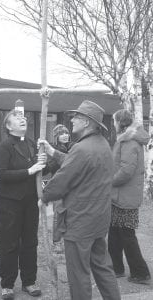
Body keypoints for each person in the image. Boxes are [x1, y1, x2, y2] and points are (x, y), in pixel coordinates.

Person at [40, 100, 121, 300]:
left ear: (86, 122)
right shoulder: (103, 145)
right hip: (99, 220)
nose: (72, 120)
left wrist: (44, 196)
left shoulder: (81, 148)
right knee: (103, 267)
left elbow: (62, 179)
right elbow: (77, 163)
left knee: (78, 275)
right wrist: (53, 152)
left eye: (76, 117)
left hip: (80, 221)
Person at [0, 108, 46, 300]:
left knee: (30, 243)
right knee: (9, 243)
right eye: (16, 118)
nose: (22, 118)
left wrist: (45, 157)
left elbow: (41, 170)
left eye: (23, 117)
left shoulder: (33, 144)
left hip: (30, 201)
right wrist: (30, 171)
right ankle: (7, 284)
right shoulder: (5, 146)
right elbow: (2, 174)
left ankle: (29, 282)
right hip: (9, 204)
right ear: (9, 126)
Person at [108, 109, 151, 284]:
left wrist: (109, 182)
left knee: (126, 235)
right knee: (114, 232)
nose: (113, 123)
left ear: (120, 122)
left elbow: (126, 171)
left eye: (114, 120)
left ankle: (141, 273)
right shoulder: (126, 140)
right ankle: (115, 267)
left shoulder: (129, 142)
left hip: (125, 196)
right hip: (119, 196)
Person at [47, 124, 73, 244]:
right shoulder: (54, 150)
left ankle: (67, 239)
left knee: (69, 214)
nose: (64, 136)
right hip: (59, 186)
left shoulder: (73, 147)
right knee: (59, 214)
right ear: (56, 137)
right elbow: (50, 168)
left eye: (66, 133)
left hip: (71, 187)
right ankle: (57, 240)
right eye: (61, 134)